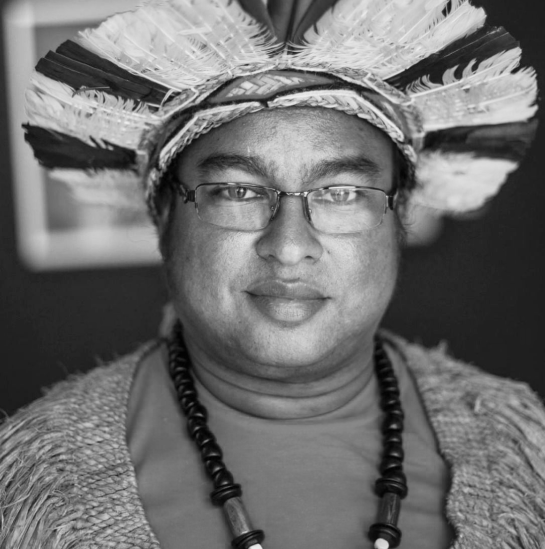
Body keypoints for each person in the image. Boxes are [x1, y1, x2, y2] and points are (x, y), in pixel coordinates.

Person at [1, 0, 543, 548]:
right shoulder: (30, 487)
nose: (288, 247)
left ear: (400, 216)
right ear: (162, 216)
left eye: (342, 193)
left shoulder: (525, 453)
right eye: (237, 191)